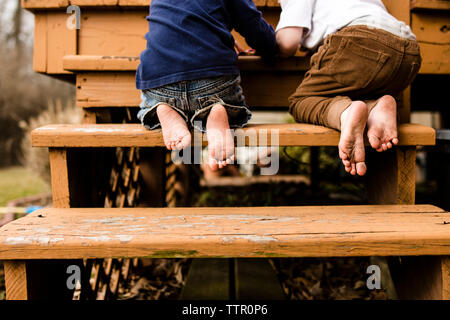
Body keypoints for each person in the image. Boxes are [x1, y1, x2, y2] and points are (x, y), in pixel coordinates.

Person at [275, 0, 421, 176]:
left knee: (301, 101)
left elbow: (288, 42)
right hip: (409, 52)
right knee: (360, 86)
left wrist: (267, 43)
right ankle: (375, 107)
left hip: (358, 41)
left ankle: (346, 112)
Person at [136, 0, 278, 171]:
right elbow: (253, 26)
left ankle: (163, 108)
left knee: (148, 104)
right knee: (232, 103)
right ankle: (217, 109)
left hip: (160, 80)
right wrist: (271, 50)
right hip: (213, 81)